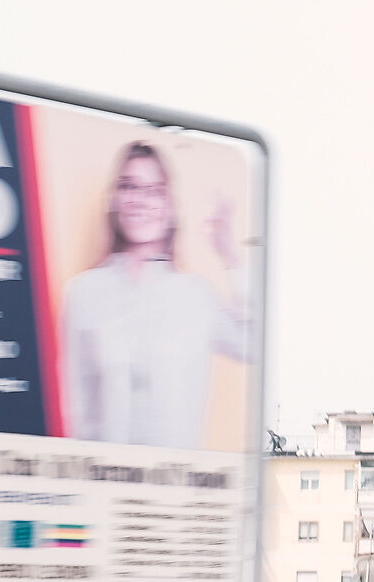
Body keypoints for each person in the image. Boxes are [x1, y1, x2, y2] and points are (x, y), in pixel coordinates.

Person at [61, 141, 251, 448]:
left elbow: (253, 345)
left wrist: (230, 254)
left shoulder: (196, 296)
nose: (140, 200)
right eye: (129, 186)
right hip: (102, 484)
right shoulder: (83, 293)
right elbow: (73, 408)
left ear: (170, 207)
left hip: (178, 486)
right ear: (114, 200)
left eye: (154, 190)